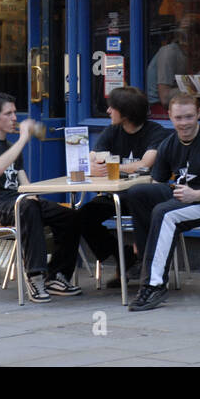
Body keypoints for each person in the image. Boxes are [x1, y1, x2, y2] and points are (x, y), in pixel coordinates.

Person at [122, 92, 200, 312]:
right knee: (138, 193)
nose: (184, 123)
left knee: (164, 213)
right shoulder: (169, 143)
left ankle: (154, 285)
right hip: (181, 198)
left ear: (199, 114)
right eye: (179, 118)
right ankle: (144, 258)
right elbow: (157, 183)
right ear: (169, 116)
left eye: (189, 117)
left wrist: (196, 195)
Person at [0, 92, 82, 303]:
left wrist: (34, 196)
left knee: (70, 216)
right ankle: (35, 276)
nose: (14, 118)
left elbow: (24, 183)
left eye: (14, 113)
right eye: (8, 113)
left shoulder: (11, 148)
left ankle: (57, 275)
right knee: (27, 207)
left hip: (20, 202)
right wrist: (23, 139)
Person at [78, 86, 167, 284]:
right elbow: (92, 156)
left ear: (126, 112)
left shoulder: (156, 132)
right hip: (115, 195)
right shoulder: (112, 130)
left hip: (146, 198)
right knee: (84, 216)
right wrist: (92, 167)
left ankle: (142, 265)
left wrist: (113, 167)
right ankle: (124, 257)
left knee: (138, 204)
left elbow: (146, 164)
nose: (108, 111)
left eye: (112, 107)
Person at [145, 17, 200, 116]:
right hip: (163, 112)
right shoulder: (169, 53)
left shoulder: (188, 55)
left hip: (183, 107)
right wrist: (199, 79)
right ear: (196, 38)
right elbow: (165, 98)